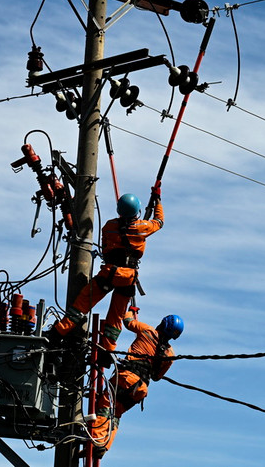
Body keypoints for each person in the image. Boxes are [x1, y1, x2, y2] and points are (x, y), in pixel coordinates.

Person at [48, 190, 164, 356]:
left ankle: (57, 333)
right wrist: (157, 201)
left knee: (81, 304)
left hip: (109, 273)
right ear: (136, 211)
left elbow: (105, 248)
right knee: (116, 316)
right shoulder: (142, 228)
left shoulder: (109, 226)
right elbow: (159, 221)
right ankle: (107, 351)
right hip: (128, 277)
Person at [90, 310, 183, 459]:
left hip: (127, 378)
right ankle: (104, 445)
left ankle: (97, 441)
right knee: (116, 413)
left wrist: (130, 312)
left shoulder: (148, 330)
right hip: (140, 389)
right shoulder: (170, 354)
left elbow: (127, 322)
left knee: (105, 405)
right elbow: (157, 376)